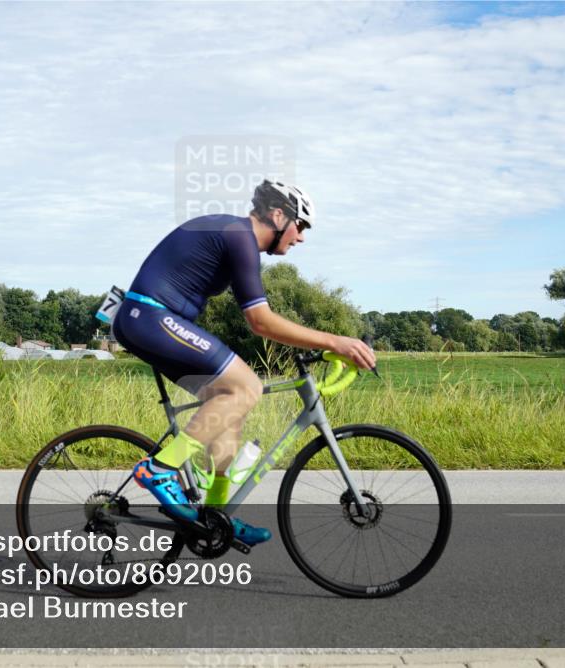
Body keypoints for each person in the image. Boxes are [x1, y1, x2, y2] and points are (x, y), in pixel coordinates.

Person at [111, 179, 376, 546]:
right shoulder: (240, 236)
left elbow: (257, 319)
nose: (300, 238)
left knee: (229, 406)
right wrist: (336, 341)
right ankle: (159, 470)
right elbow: (260, 322)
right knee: (247, 386)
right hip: (150, 316)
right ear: (279, 215)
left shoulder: (238, 238)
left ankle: (213, 518)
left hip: (150, 319)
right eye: (302, 227)